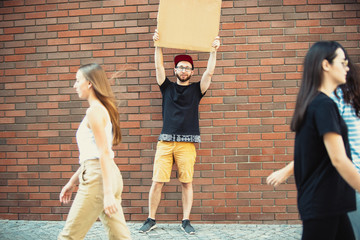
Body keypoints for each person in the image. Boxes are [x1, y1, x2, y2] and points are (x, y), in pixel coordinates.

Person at [267, 41, 360, 240]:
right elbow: (338, 159)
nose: (347, 67)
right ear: (326, 65)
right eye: (342, 62)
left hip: (332, 202)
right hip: (322, 203)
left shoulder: (316, 103)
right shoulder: (323, 106)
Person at [139, 30, 220, 235]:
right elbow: (158, 66)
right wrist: (157, 44)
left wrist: (213, 51)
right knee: (157, 182)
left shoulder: (196, 90)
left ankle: (185, 220)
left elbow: (209, 73)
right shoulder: (166, 87)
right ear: (175, 69)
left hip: (187, 144)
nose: (183, 70)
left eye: (187, 68)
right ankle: (151, 219)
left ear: (192, 72)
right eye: (180, 67)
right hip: (165, 142)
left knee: (186, 182)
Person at [58, 63, 131, 240]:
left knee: (68, 237)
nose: (75, 85)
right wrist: (73, 182)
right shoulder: (101, 110)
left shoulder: (94, 111)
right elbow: (93, 154)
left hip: (98, 180)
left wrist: (106, 194)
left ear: (89, 83)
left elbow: (103, 153)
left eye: (77, 81)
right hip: (107, 175)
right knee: (119, 236)